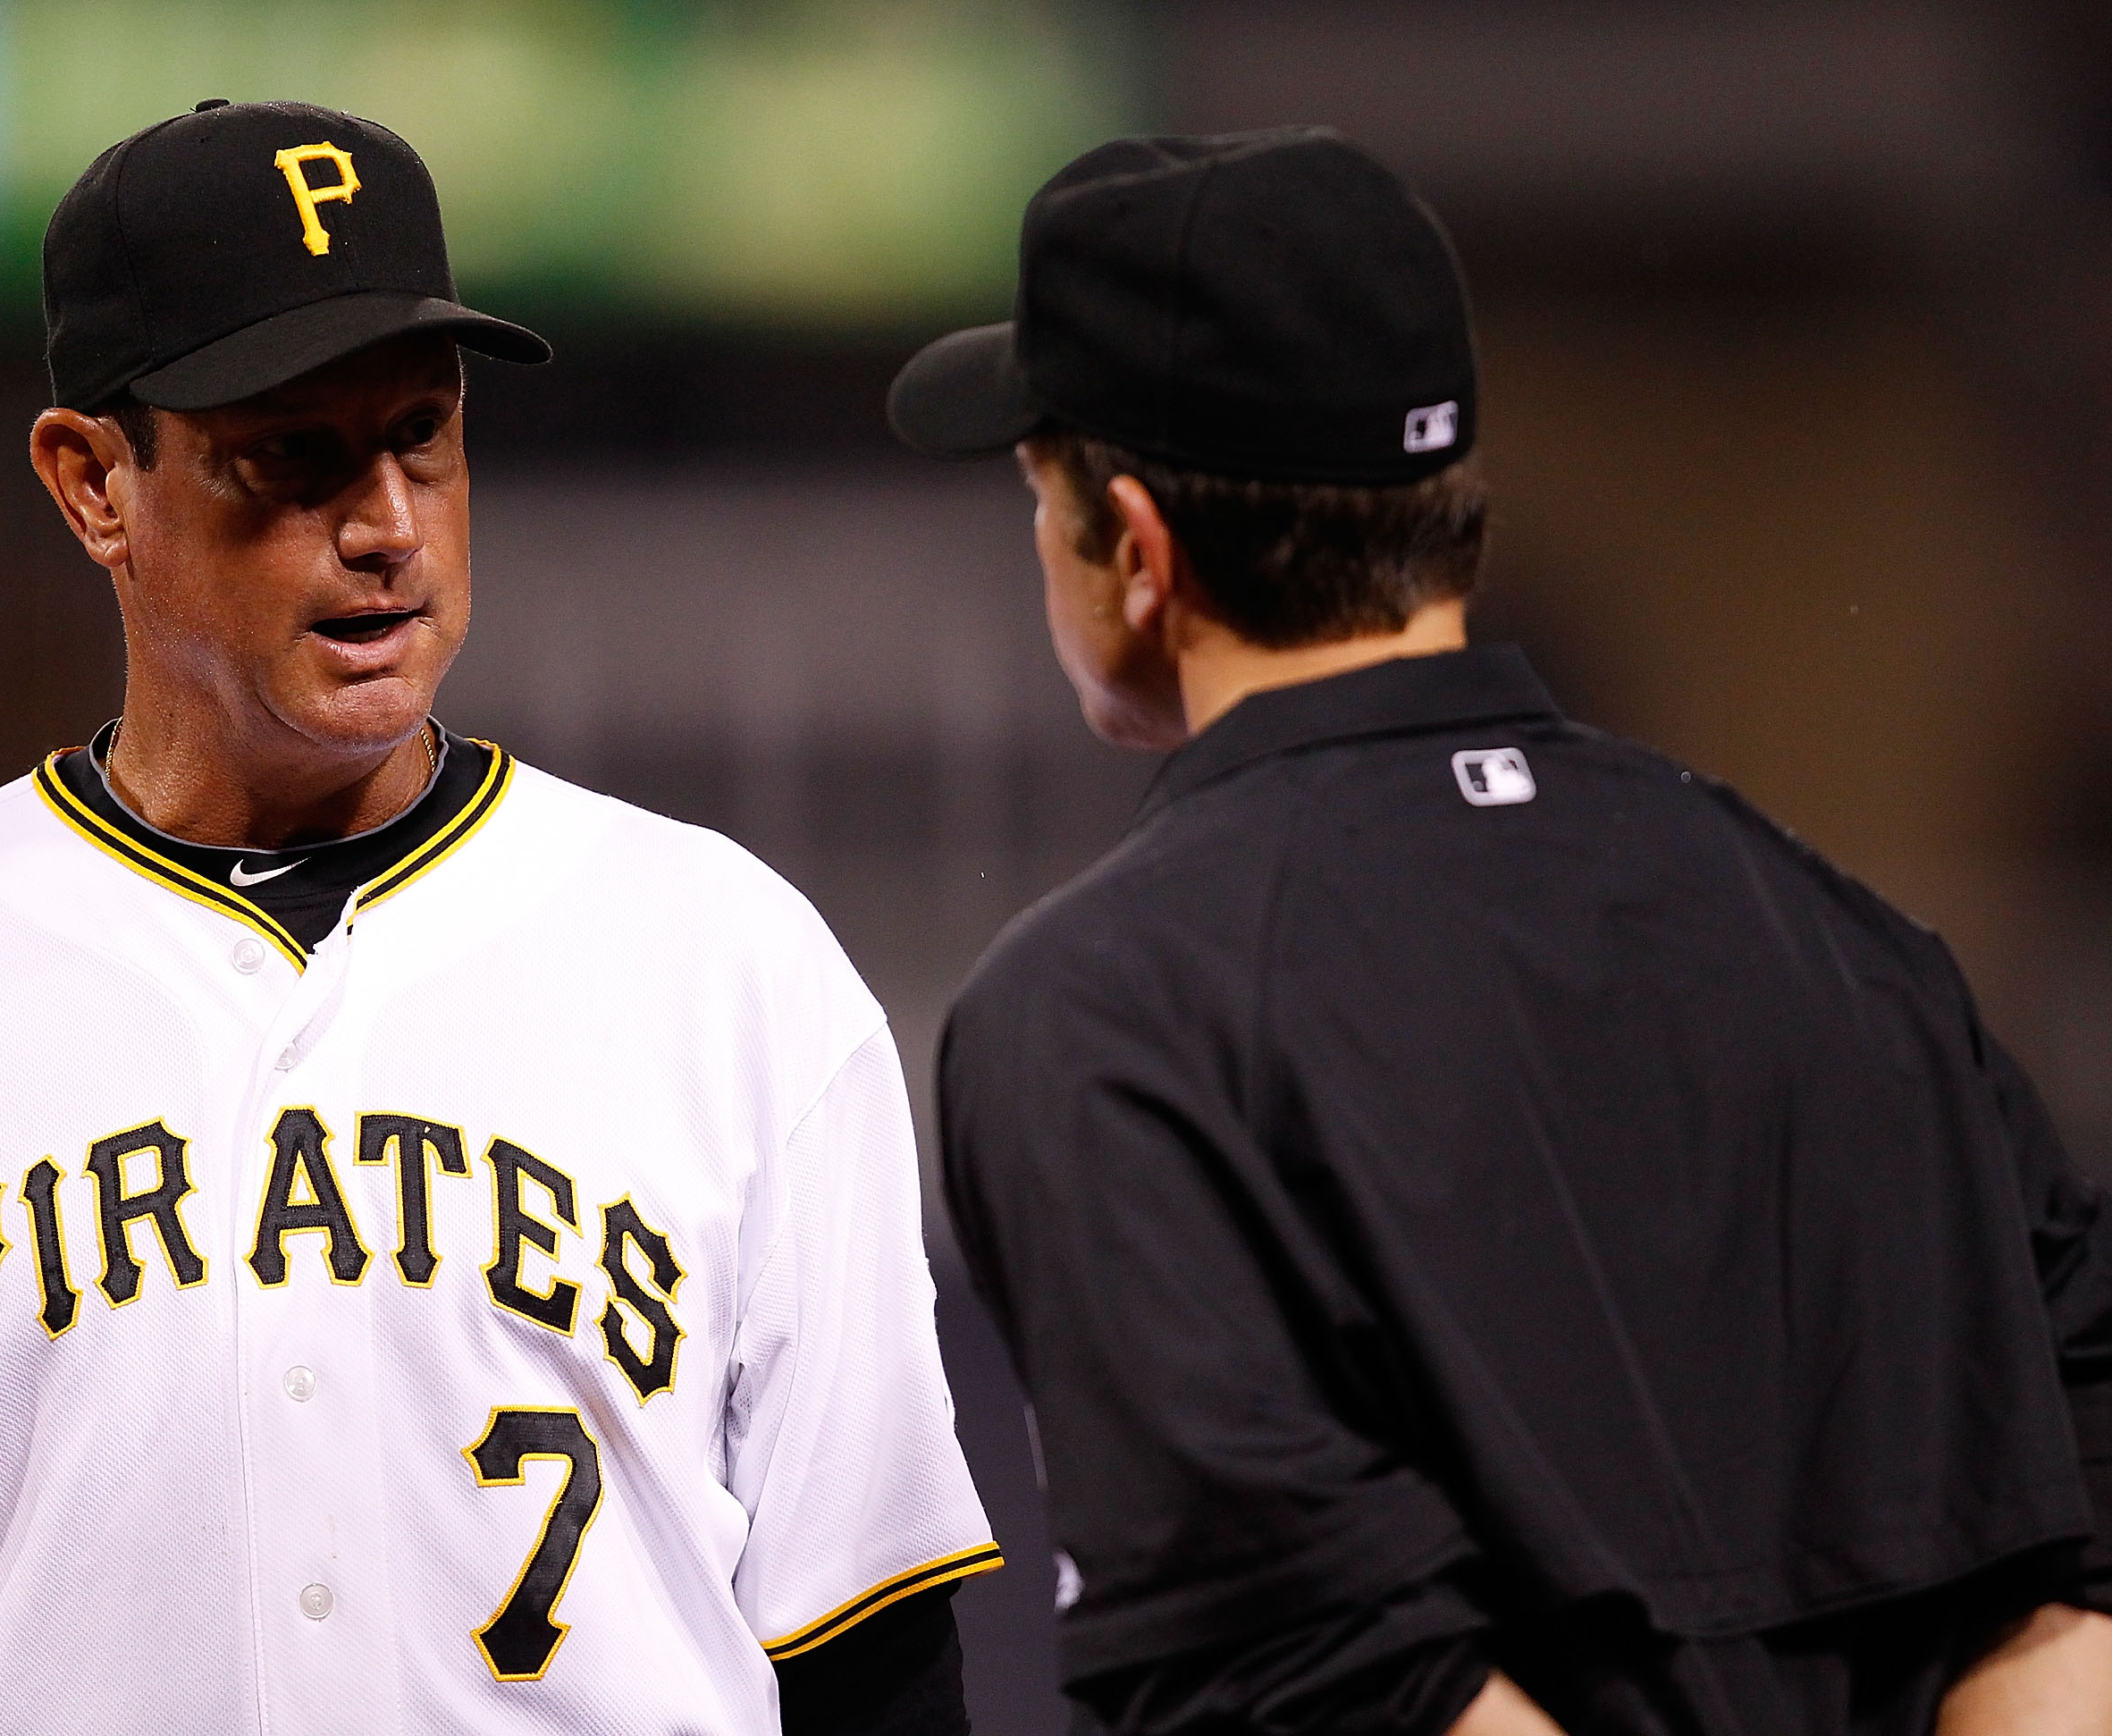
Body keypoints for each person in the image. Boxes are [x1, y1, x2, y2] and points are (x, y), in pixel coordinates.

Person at [0, 100, 998, 1736]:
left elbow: (872, 1663)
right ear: (95, 486)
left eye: (421, 433)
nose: (386, 525)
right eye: (293, 455)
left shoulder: (731, 966)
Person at [892, 127, 2112, 1736]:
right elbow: (2053, 1578)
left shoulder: (1105, 1010)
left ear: (1137, 545)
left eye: (1042, 496)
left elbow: (1333, 1674)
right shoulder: (1862, 952)